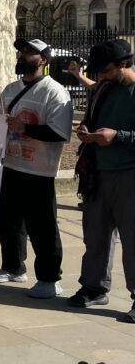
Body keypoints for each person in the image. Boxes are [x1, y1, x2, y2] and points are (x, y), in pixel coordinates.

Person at [0, 38, 73, 299]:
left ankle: (49, 279)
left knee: (42, 227)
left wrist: (24, 128)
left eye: (29, 52)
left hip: (39, 172)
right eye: (21, 51)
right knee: (6, 221)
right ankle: (13, 266)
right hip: (9, 166)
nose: (22, 55)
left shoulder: (55, 92)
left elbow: (60, 133)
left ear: (43, 60)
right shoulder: (10, 89)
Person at [68, 39, 135, 322]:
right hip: (97, 173)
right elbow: (94, 120)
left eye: (106, 70)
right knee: (95, 234)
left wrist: (117, 136)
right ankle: (94, 287)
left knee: (132, 237)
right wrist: (87, 129)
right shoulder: (103, 89)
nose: (101, 76)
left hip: (129, 174)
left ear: (123, 64)